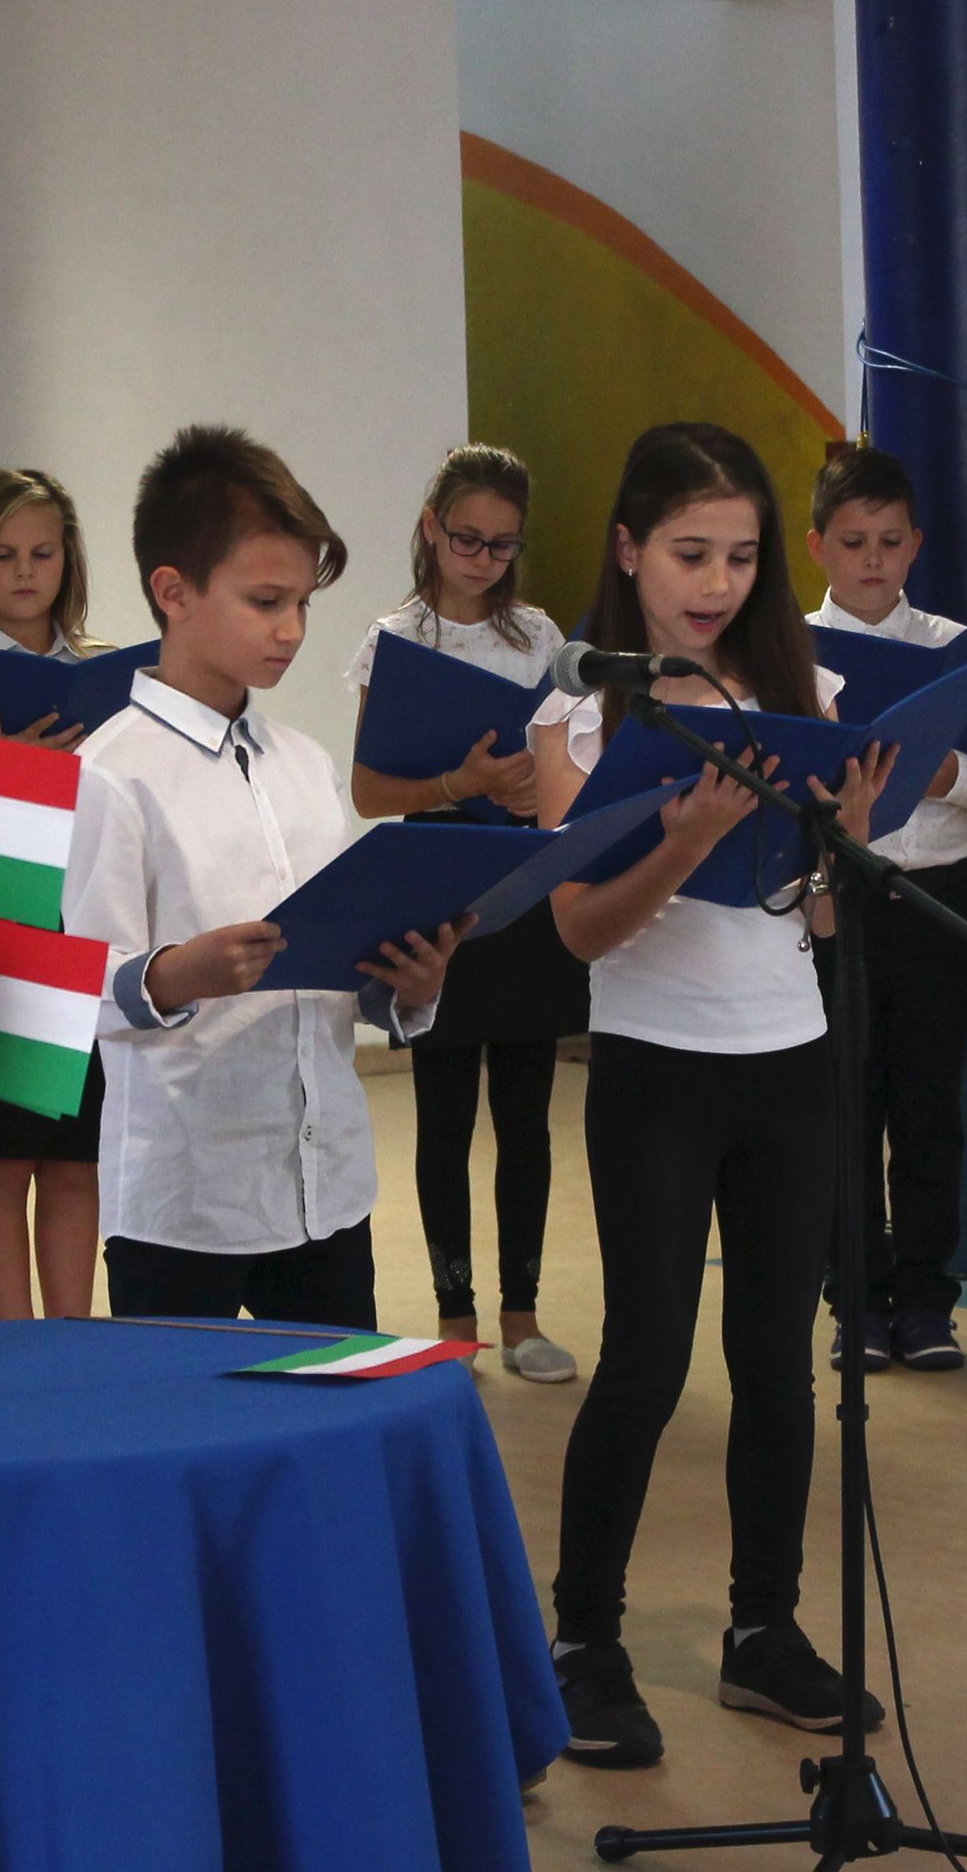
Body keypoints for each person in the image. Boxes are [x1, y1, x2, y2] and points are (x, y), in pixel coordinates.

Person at [526, 422, 896, 1770]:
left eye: (741, 556)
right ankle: (585, 1642)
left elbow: (821, 917)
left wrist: (845, 845)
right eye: (691, 553)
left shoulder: (807, 691)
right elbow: (579, 928)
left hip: (789, 1057)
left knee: (779, 1360)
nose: (718, 582)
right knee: (646, 1355)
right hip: (655, 1066)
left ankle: (762, 1628)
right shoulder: (578, 716)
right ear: (629, 550)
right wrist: (682, 842)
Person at [63, 424, 461, 1331]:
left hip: (326, 1185)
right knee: (184, 1418)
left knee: (330, 1407)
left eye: (303, 604)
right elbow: (80, 986)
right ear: (173, 592)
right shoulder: (111, 774)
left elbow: (343, 970)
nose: (292, 630)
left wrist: (409, 987)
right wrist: (177, 974)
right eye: (265, 601)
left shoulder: (306, 766)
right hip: (184, 1198)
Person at [347, 444, 581, 1383]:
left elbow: (570, 764)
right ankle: (455, 1318)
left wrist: (534, 792)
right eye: (466, 539)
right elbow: (369, 790)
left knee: (526, 1117)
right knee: (443, 1119)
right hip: (433, 886)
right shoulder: (395, 637)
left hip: (521, 881)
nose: (483, 560)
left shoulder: (539, 636)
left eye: (502, 545)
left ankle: (523, 1314)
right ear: (430, 530)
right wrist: (460, 783)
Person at [802, 446, 967, 1374]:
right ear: (818, 546)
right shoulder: (788, 650)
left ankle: (929, 1302)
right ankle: (855, 1304)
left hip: (937, 896)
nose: (873, 559)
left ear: (916, 544)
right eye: (853, 541)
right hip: (832, 900)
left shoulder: (955, 647)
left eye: (890, 541)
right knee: (842, 1105)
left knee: (929, 1107)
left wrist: (951, 775)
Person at [0, 467, 109, 1319]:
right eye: (4, 555)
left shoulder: (100, 672)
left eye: (43, 552)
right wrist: (4, 775)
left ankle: (70, 1337)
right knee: (1, 1159)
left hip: (82, 929)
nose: (26, 572)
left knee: (74, 1160)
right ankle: (12, 1338)